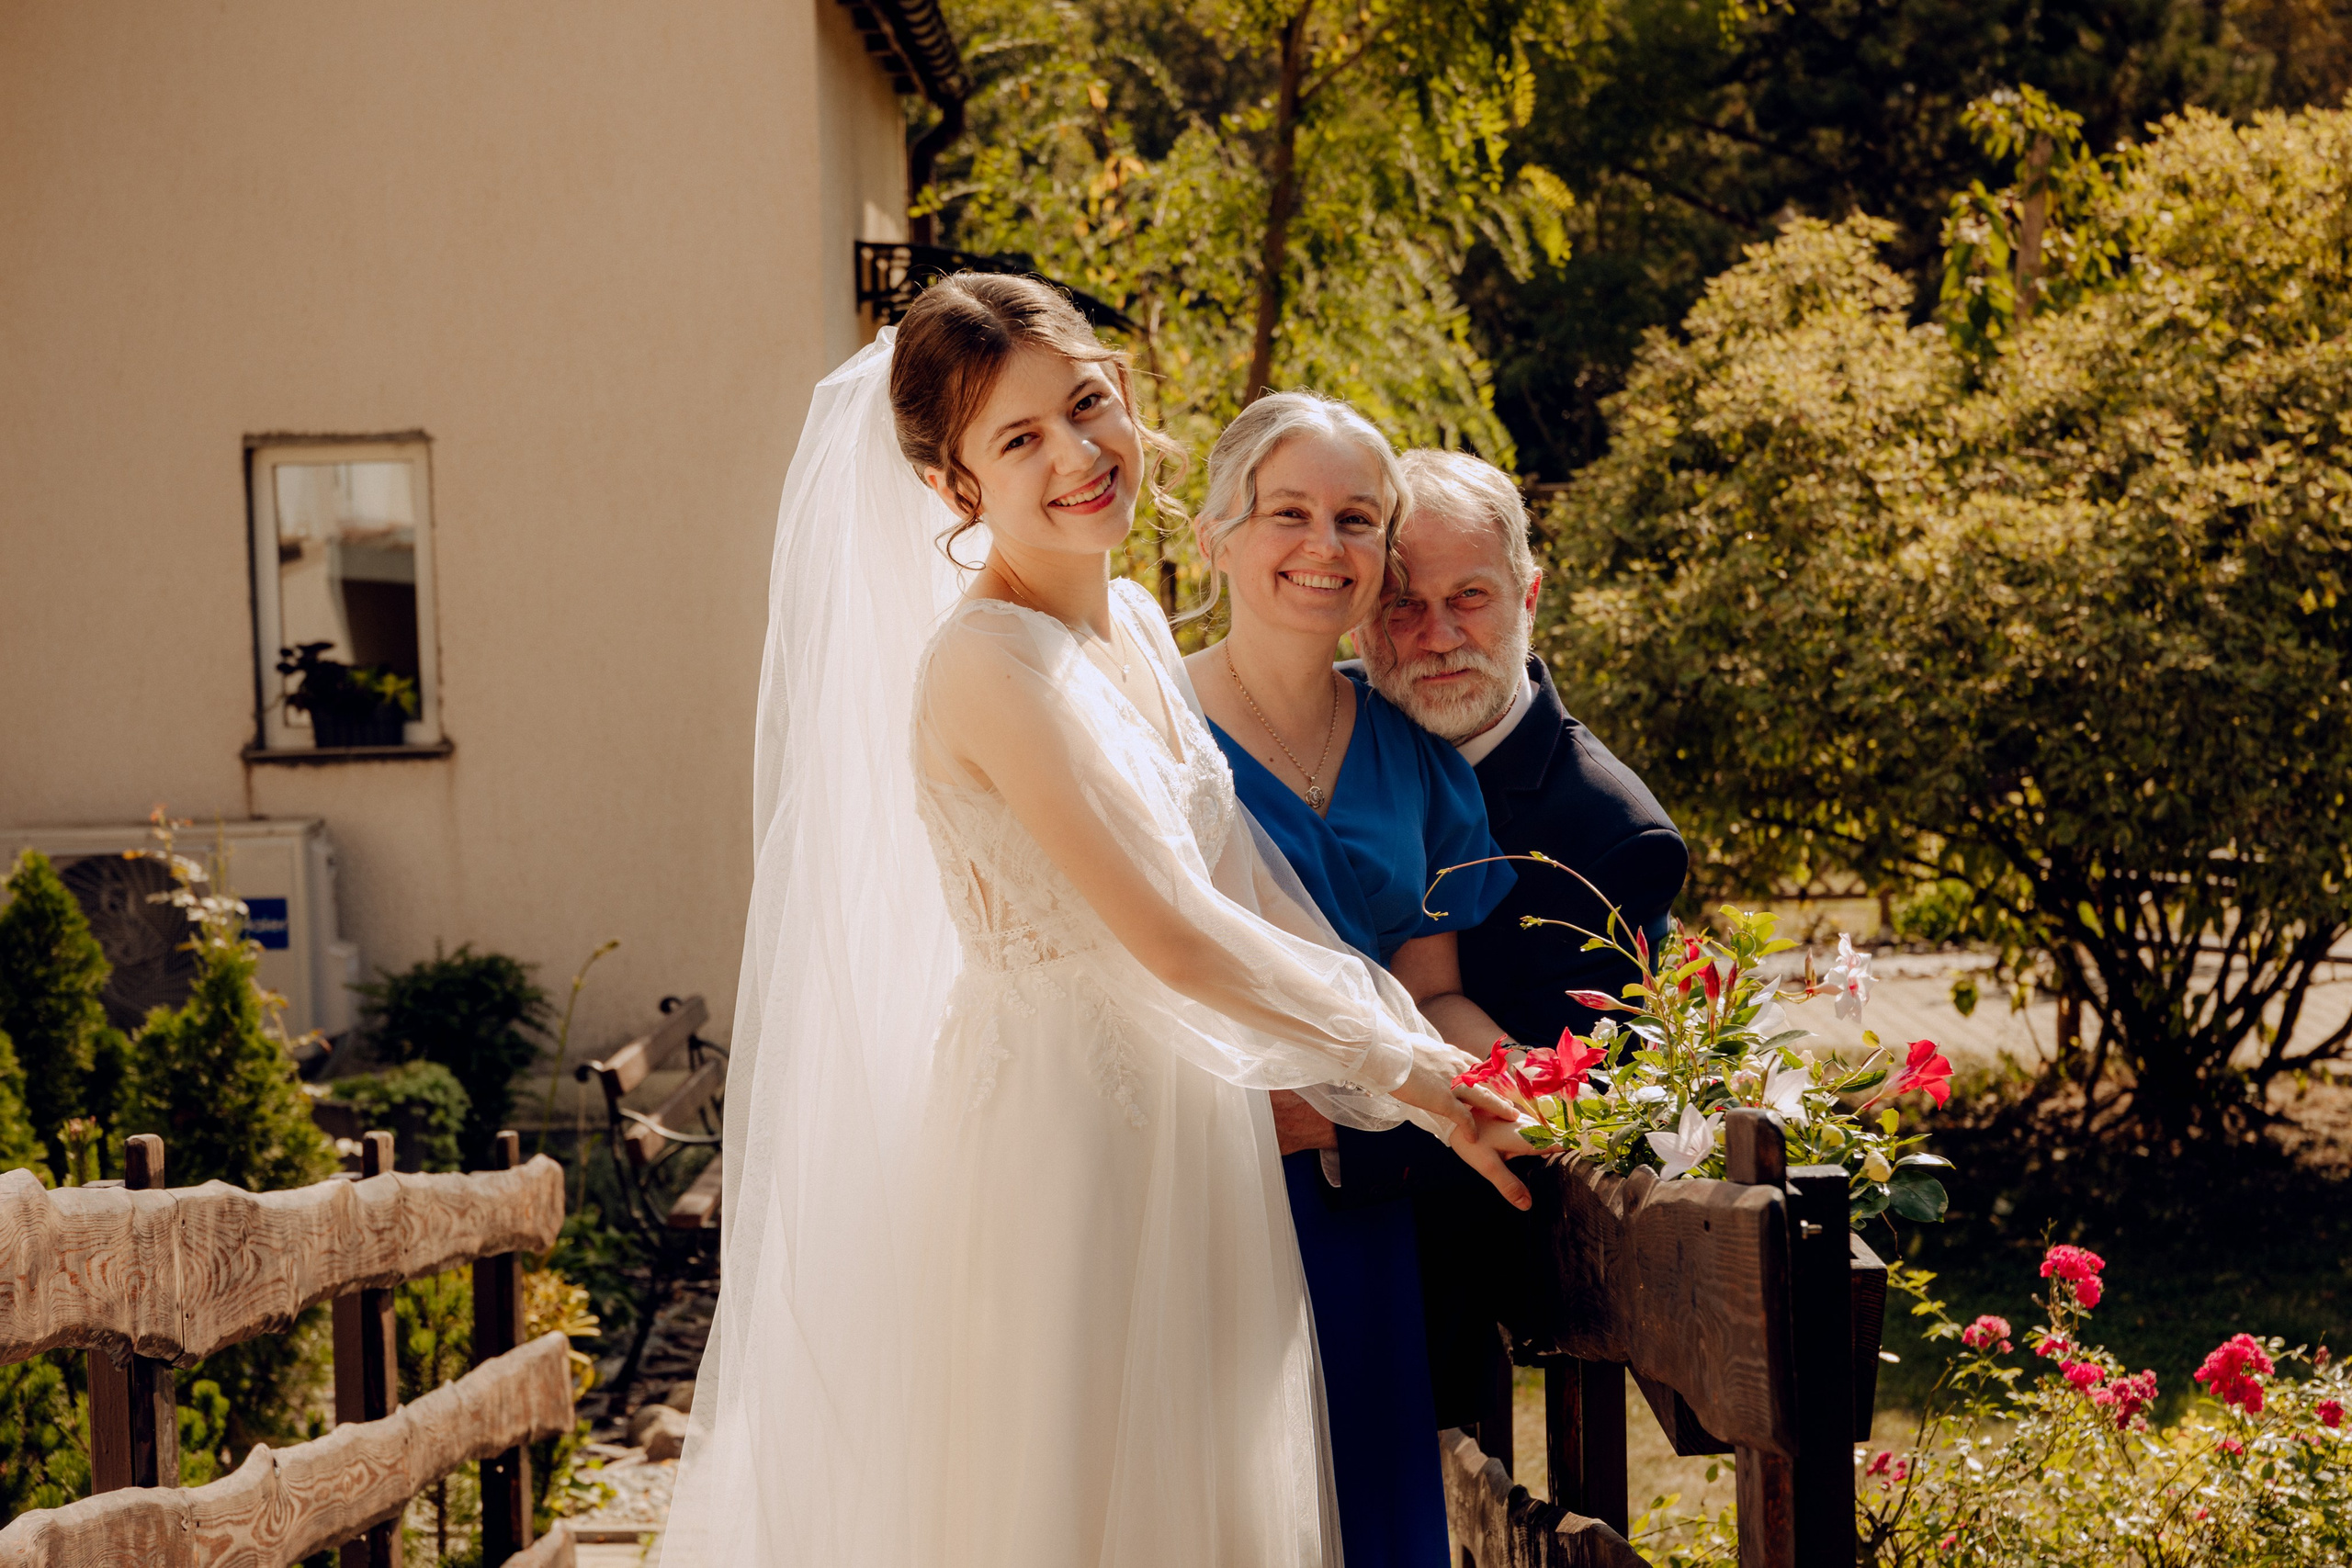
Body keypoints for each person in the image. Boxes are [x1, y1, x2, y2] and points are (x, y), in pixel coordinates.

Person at [664, 276, 1530, 1568]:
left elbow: (1244, 889)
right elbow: (1171, 930)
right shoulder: (984, 664)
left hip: (1200, 1140)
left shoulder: (1130, 619)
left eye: (1084, 405)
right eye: (1019, 439)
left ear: (1122, 393)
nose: (1077, 454)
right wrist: (1407, 1071)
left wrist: (1429, 1058)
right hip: (1065, 1147)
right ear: (955, 487)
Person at [1182, 392, 1519, 1568]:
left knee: (1363, 1518)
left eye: (1356, 519)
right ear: (1214, 535)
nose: (1323, 545)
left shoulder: (1412, 756)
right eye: (1288, 512)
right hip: (1195, 1193)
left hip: (1362, 1199)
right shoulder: (1140, 726)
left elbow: (1431, 997)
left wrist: (1526, 1081)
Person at [1344, 446, 1689, 1430]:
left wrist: (1321, 1130)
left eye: (1471, 597)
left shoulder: (1610, 836)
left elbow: (1556, 1113)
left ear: (1529, 596)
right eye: (1402, 604)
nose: (1438, 635)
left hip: (1436, 1284)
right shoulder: (1320, 724)